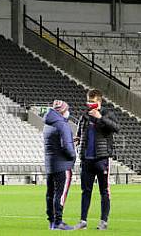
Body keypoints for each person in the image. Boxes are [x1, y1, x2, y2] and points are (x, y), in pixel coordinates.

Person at [76, 89, 120, 231]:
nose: (90, 104)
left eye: (93, 102)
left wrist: (100, 117)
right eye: (88, 101)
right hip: (86, 160)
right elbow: (80, 132)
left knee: (104, 191)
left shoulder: (108, 114)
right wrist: (78, 139)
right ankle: (83, 221)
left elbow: (116, 128)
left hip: (101, 159)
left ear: (99, 102)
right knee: (85, 191)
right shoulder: (84, 116)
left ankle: (103, 222)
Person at [43, 100, 76, 231]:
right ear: (62, 111)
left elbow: (55, 142)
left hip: (51, 164)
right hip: (62, 165)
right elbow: (66, 147)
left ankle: (52, 221)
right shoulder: (62, 125)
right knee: (60, 194)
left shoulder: (48, 124)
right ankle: (58, 221)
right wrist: (73, 155)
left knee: (50, 193)